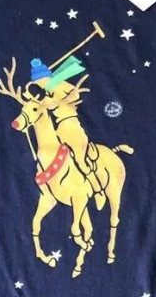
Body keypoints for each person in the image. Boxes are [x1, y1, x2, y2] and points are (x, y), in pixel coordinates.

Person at [29, 58, 106, 210]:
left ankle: (98, 190)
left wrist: (60, 101)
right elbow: (39, 106)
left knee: (80, 160)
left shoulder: (61, 85)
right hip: (59, 129)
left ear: (45, 78)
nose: (39, 85)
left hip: (71, 126)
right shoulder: (47, 92)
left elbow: (75, 95)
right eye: (37, 83)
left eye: (39, 82)